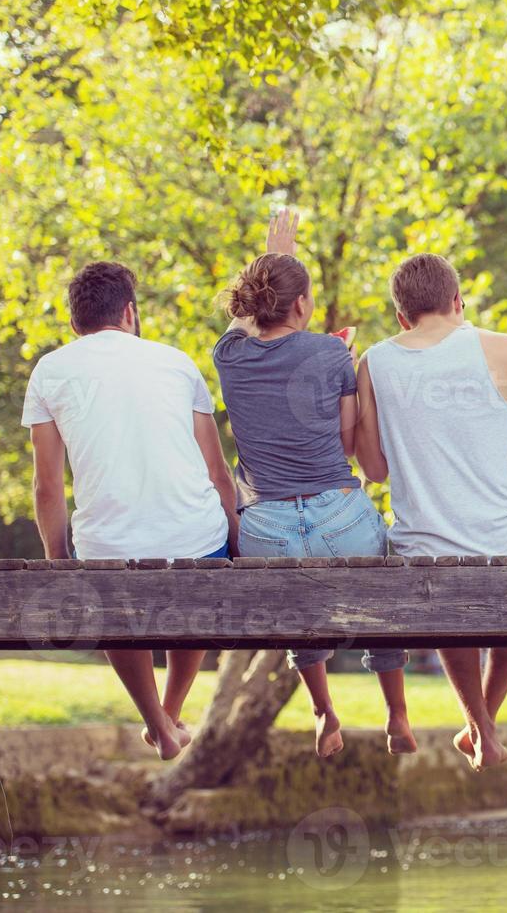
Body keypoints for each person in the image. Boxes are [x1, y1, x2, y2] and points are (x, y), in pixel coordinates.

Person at [214, 209, 413, 759]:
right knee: (383, 596)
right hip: (340, 518)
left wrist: (277, 252)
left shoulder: (227, 356)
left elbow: (243, 322)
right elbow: (350, 442)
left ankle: (325, 712)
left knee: (300, 616)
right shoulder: (329, 352)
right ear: (303, 305)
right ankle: (396, 713)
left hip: (266, 530)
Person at [23, 261, 238, 761]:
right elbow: (217, 471)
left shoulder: (50, 371)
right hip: (199, 543)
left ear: (75, 323)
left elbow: (47, 488)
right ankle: (172, 710)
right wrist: (233, 539)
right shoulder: (177, 361)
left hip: (107, 552)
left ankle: (158, 724)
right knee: (197, 586)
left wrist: (59, 560)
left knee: (108, 582)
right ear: (130, 313)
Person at [355, 252, 507, 771]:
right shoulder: (504, 349)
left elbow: (373, 468)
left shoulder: (374, 361)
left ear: (402, 316)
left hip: (429, 545)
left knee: (445, 591)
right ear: (458, 301)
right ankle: (482, 725)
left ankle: (481, 727)